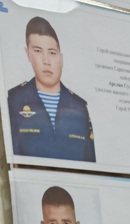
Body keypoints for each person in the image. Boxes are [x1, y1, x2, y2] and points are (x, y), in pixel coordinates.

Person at [6, 18, 94, 162]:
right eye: (38, 51)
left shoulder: (79, 107)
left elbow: (90, 165)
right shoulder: (14, 101)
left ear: (61, 58)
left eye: (52, 53)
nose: (46, 61)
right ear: (28, 54)